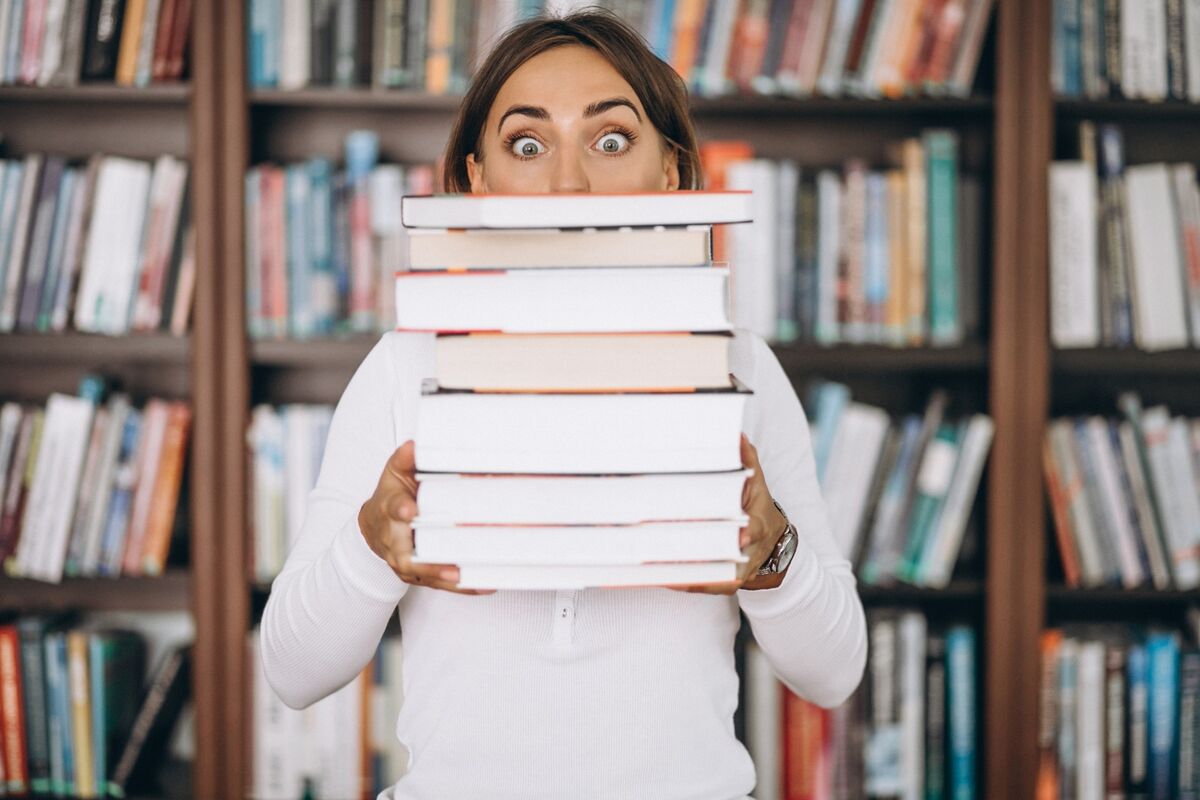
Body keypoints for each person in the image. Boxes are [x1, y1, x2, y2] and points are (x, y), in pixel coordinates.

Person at [260, 10, 867, 800]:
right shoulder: (406, 365)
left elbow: (834, 672)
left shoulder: (736, 365)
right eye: (526, 143)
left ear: (673, 175)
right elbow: (290, 671)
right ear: (478, 178)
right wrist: (372, 547)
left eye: (611, 141)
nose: (569, 183)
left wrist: (774, 557)